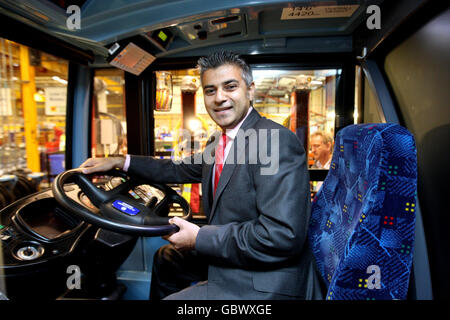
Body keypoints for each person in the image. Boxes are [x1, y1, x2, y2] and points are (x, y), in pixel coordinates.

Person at [80, 51, 324, 300]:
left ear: (250, 90)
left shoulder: (275, 141)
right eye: (210, 90)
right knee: (167, 258)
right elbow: (177, 168)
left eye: (230, 87)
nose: (219, 98)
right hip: (236, 258)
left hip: (266, 281)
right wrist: (121, 161)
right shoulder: (220, 140)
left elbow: (282, 237)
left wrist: (199, 237)